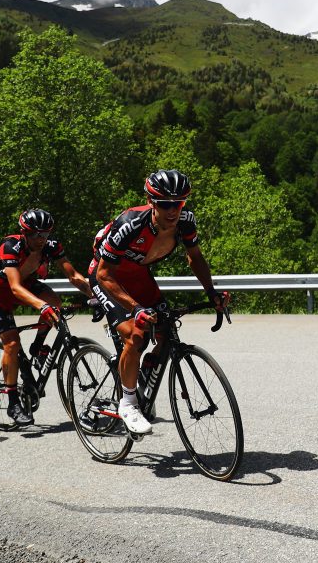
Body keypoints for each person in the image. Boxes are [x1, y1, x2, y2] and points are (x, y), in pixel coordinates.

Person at [90, 169, 228, 435]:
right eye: (165, 204)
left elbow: (195, 258)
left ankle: (142, 377)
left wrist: (212, 292)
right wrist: (136, 309)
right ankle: (129, 403)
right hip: (108, 275)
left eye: (179, 204)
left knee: (167, 331)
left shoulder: (186, 221)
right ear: (152, 202)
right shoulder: (131, 224)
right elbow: (104, 274)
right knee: (136, 335)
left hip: (138, 274)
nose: (172, 211)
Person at [0, 209, 93, 426]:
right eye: (35, 234)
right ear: (24, 232)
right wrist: (42, 306)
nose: (41, 239)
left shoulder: (51, 246)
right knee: (11, 343)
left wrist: (97, 296)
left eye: (45, 234)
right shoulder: (10, 247)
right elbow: (15, 287)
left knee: (55, 302)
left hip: (22, 282)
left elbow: (74, 276)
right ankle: (12, 401)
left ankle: (37, 348)